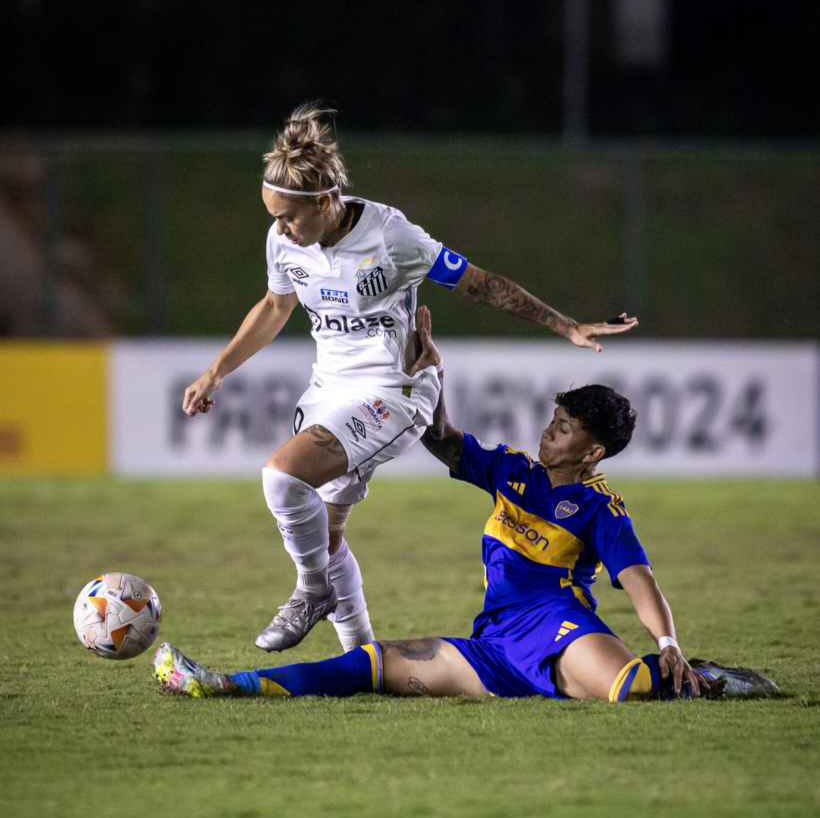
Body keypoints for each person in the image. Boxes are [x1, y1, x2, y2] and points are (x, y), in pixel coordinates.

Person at [181, 103, 638, 657]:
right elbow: (277, 306)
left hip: (394, 392)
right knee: (327, 534)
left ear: (325, 202)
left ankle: (310, 591)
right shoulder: (286, 241)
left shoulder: (392, 236)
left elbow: (481, 283)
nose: (279, 229)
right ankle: (362, 659)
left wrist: (563, 325)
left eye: (288, 217)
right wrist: (216, 370)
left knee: (282, 479)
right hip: (328, 391)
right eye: (273, 216)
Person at [155, 308, 776, 703]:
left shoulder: (598, 509)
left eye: (567, 429)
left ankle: (708, 678)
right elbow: (445, 440)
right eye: (554, 419)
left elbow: (639, 580)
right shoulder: (513, 471)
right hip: (495, 640)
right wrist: (431, 375)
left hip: (558, 627)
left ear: (595, 451)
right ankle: (224, 684)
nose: (549, 432)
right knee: (373, 667)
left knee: (631, 688)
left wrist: (667, 642)